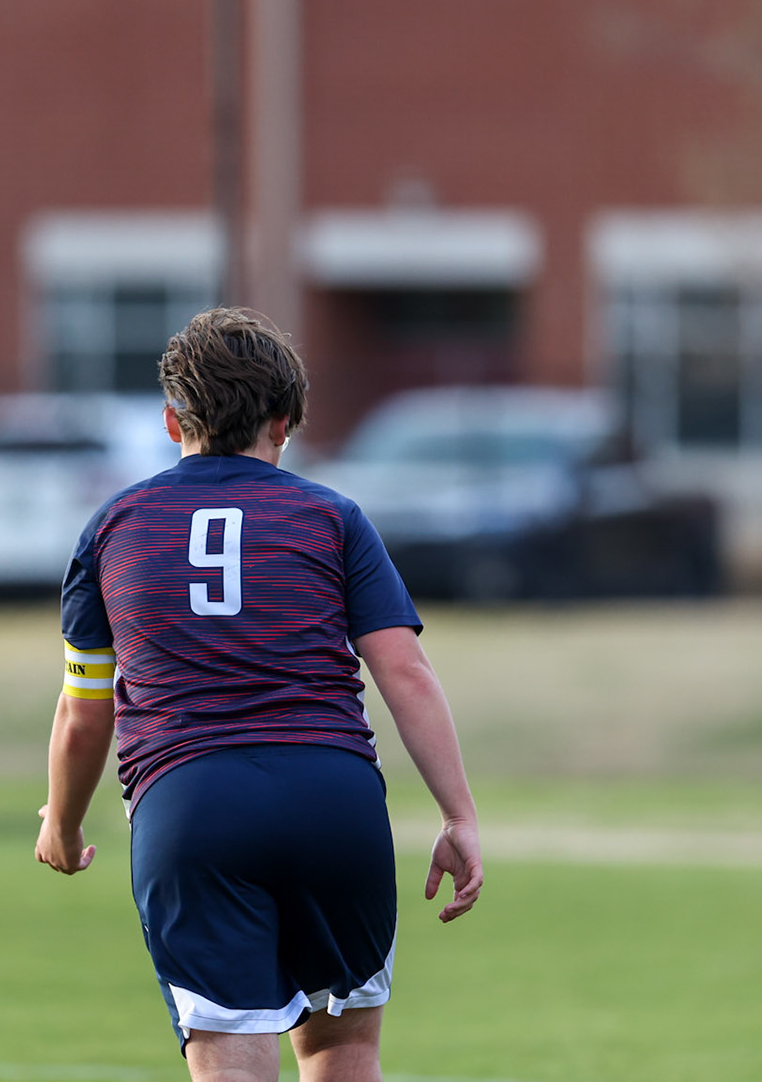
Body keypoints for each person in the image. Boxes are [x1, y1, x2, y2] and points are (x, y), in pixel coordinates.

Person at [35, 306, 483, 1082]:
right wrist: (458, 814)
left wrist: (63, 824)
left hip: (194, 808)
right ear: (285, 422)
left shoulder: (116, 527)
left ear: (173, 421)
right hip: (333, 802)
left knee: (232, 1066)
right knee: (347, 1060)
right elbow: (405, 672)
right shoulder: (331, 518)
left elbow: (83, 712)